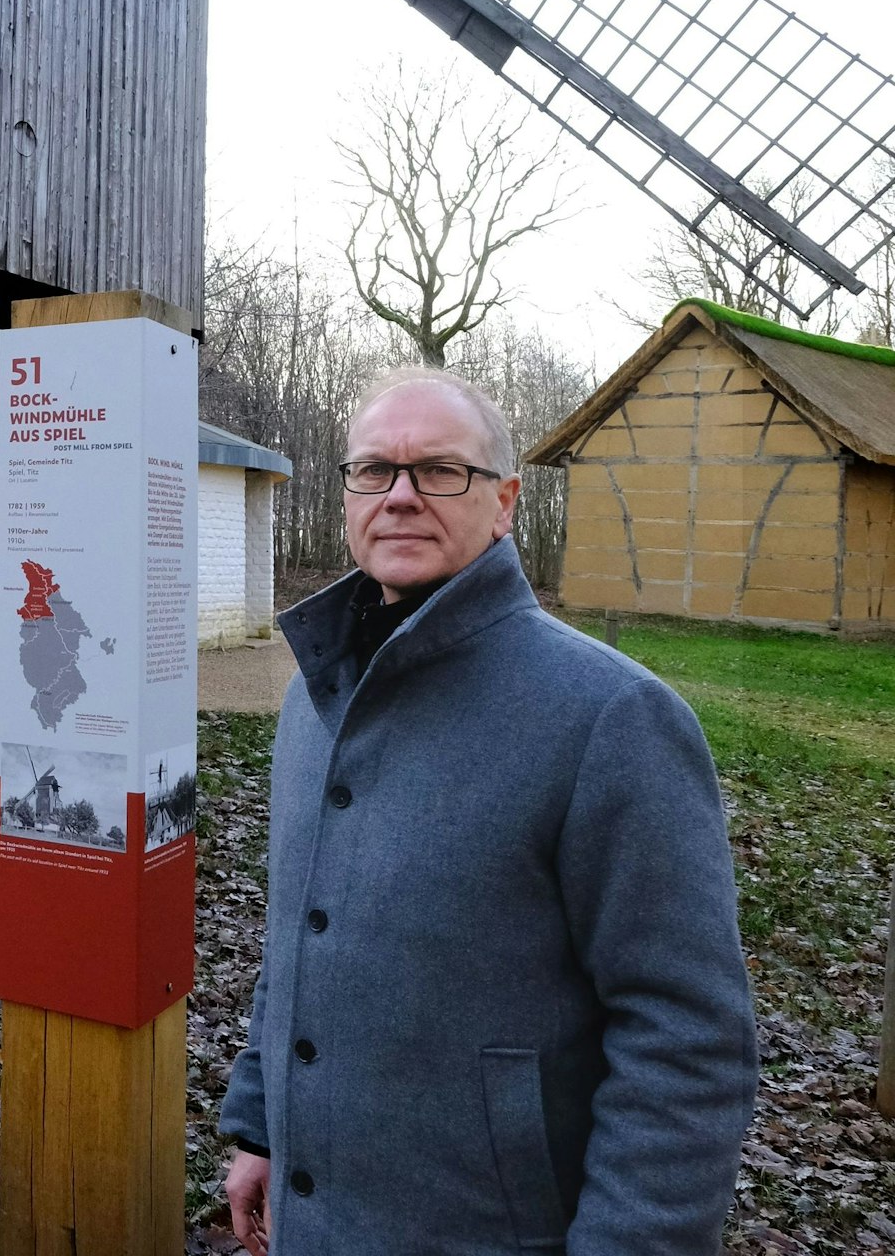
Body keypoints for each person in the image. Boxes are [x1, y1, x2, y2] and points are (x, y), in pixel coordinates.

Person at [218, 367, 756, 1254]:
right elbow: (298, 940)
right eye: (373, 472)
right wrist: (265, 1124)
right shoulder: (312, 700)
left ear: (504, 503)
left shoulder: (609, 719)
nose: (399, 496)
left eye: (439, 470)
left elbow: (685, 1036)